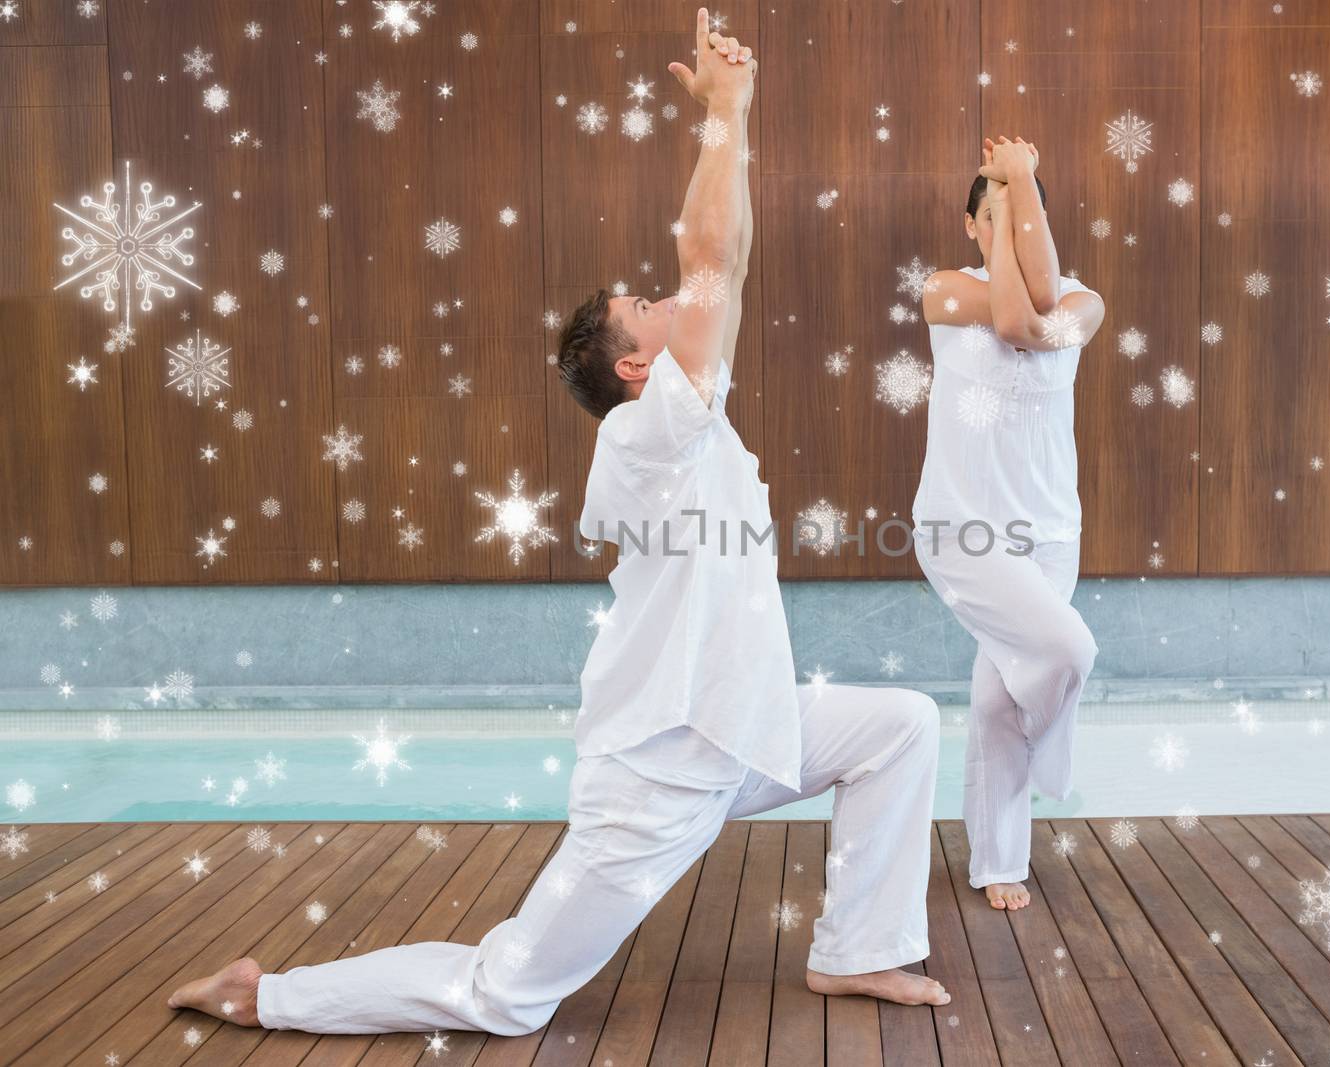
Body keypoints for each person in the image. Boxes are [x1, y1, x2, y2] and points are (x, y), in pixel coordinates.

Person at [167, 8, 949, 1037]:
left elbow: (717, 269)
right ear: (634, 366)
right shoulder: (651, 432)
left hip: (744, 733)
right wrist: (728, 115)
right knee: (510, 996)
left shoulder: (690, 429)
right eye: (654, 310)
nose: (680, 305)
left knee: (899, 725)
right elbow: (717, 251)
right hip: (662, 774)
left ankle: (859, 951)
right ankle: (262, 990)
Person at [911, 136, 1105, 912]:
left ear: (1045, 227)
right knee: (1067, 648)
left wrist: (1022, 191)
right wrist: (1012, 194)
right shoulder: (944, 289)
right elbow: (1020, 325)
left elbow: (1043, 314)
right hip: (962, 529)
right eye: (991, 217)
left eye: (1026, 216)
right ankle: (1054, 753)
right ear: (970, 228)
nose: (1008, 232)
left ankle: (998, 860)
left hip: (1052, 531)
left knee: (997, 700)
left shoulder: (1084, 303)